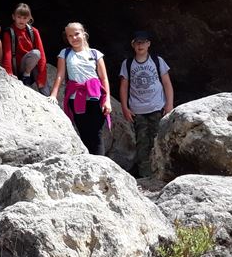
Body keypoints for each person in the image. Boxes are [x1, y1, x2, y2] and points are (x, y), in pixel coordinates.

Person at [49, 22, 112, 155]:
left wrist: (107, 101)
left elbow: (104, 78)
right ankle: (88, 162)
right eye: (70, 36)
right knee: (84, 133)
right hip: (76, 97)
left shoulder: (95, 54)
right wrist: (53, 95)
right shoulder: (65, 53)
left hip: (95, 97)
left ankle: (99, 164)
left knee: (97, 134)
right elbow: (60, 75)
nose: (74, 38)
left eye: (77, 34)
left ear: (84, 34)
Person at [120, 30, 174, 177]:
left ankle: (161, 173)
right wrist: (124, 107)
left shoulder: (157, 61)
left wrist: (169, 104)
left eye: (143, 42)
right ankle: (145, 175)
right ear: (133, 45)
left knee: (159, 139)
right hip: (137, 110)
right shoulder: (128, 63)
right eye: (137, 42)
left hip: (157, 107)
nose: (140, 45)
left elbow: (167, 83)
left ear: (148, 44)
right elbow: (124, 86)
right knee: (142, 143)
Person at [1, 3, 47, 91]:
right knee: (35, 53)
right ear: (13, 17)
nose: (21, 20)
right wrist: (8, 72)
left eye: (25, 18)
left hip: (32, 68)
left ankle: (28, 76)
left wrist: (42, 78)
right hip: (18, 68)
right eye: (19, 17)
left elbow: (42, 55)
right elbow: (7, 53)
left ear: (29, 18)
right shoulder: (9, 32)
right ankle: (25, 76)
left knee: (37, 53)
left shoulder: (34, 31)